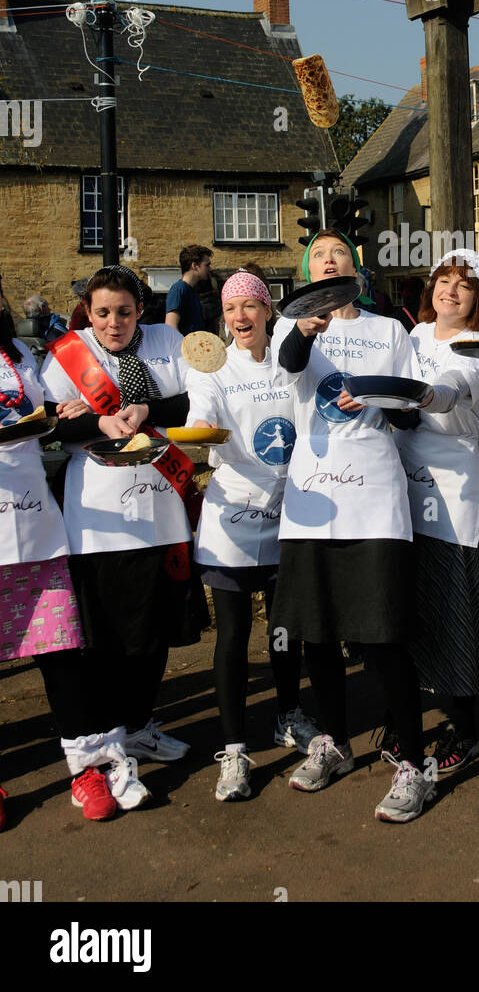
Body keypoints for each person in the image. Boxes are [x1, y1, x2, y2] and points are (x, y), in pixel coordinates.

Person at [268, 228, 455, 823]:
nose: (329, 261)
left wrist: (383, 402)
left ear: (355, 270)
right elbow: (289, 366)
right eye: (318, 255)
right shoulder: (292, 327)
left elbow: (408, 411)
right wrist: (303, 328)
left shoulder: (388, 330)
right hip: (311, 497)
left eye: (340, 254)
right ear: (308, 270)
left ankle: (413, 763)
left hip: (374, 493)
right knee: (317, 633)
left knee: (382, 631)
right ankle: (334, 742)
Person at [40, 265, 194, 812]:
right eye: (102, 312)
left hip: (162, 504)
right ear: (89, 311)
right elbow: (51, 425)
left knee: (153, 629)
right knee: (105, 637)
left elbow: (194, 401)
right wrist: (94, 424)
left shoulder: (167, 341)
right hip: (99, 514)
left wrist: (150, 408)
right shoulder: (66, 353)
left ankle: (138, 725)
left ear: (140, 311)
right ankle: (109, 744)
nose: (113, 323)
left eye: (124, 312)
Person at [185, 270, 318, 802]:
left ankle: (288, 715)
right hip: (233, 516)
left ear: (268, 311)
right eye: (232, 308)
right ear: (224, 317)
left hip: (292, 511)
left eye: (251, 306)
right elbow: (202, 416)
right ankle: (235, 748)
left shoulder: (291, 361)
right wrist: (197, 430)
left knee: (286, 627)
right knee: (235, 634)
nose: (241, 317)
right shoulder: (213, 366)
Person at [395, 249, 479, 775]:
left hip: (450, 483)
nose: (450, 292)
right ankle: (413, 721)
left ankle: (468, 731)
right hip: (400, 477)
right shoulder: (411, 337)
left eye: (464, 286)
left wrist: (422, 394)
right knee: (412, 605)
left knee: (451, 604)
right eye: (443, 281)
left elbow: (453, 387)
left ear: (478, 299)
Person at [0, 279, 108, 824]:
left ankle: (86, 768)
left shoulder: (20, 351)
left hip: (35, 525)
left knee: (63, 652)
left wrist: (63, 407)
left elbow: (45, 413)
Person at [165, 245, 213, 336]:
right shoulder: (178, 289)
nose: (210, 269)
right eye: (207, 265)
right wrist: (186, 348)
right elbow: (171, 326)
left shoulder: (192, 290)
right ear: (195, 266)